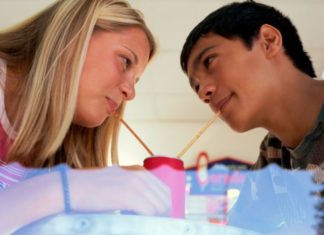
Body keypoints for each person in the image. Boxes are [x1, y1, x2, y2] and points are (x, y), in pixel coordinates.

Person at [0, 0, 171, 233]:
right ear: (75, 37)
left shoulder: (51, 148)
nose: (130, 93)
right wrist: (66, 188)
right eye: (125, 61)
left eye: (136, 81)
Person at [180, 0, 324, 171]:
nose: (203, 93)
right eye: (196, 87)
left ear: (268, 42)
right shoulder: (272, 155)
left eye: (209, 60)